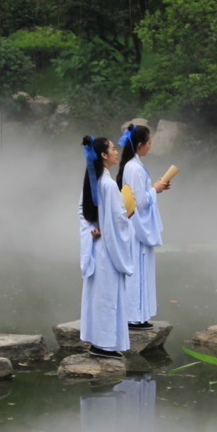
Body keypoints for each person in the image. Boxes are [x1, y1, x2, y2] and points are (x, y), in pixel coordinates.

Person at [79, 135, 134, 359]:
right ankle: (102, 345)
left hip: (98, 248)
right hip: (108, 251)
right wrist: (130, 212)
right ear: (103, 155)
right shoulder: (108, 184)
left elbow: (84, 213)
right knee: (107, 298)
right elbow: (118, 219)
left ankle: (100, 343)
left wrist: (92, 229)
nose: (116, 152)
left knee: (100, 296)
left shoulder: (94, 181)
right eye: (112, 149)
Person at [115, 124, 169, 329]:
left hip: (134, 226)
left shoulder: (132, 165)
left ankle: (138, 315)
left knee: (139, 270)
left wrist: (155, 189)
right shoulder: (135, 168)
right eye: (149, 142)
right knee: (136, 271)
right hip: (136, 228)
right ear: (139, 145)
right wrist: (154, 189)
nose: (151, 146)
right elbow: (140, 201)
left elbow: (138, 195)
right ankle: (133, 317)